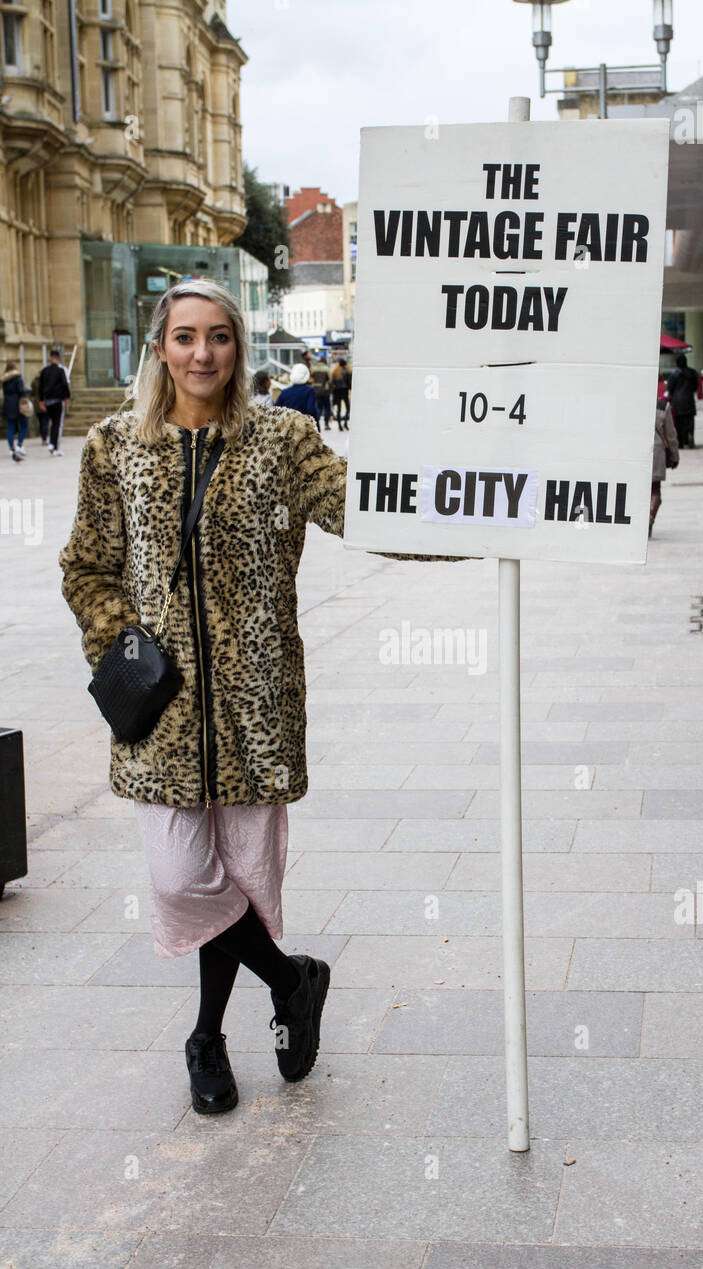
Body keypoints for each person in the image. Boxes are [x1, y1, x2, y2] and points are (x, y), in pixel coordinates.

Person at [58, 279, 459, 1117]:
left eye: (218, 337)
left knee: (244, 876)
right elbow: (85, 567)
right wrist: (121, 644)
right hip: (160, 713)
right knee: (181, 878)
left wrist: (487, 524)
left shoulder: (282, 440)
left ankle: (207, 1040)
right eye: (184, 337)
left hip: (255, 709)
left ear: (238, 348)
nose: (201, 353)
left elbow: (365, 510)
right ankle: (291, 978)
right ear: (159, 348)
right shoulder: (113, 447)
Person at [650, 397, 679, 537]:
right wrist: (675, 456)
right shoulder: (662, 406)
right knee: (655, 490)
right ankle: (650, 515)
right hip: (656, 452)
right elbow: (671, 435)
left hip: (634, 453)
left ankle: (640, 520)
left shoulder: (631, 403)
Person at [38, 348, 71, 455]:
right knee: (57, 424)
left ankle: (51, 443)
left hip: (47, 401)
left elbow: (40, 386)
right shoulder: (60, 371)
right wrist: (67, 397)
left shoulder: (44, 371)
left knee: (52, 423)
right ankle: (55, 446)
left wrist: (41, 400)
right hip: (57, 401)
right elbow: (64, 384)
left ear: (50, 358)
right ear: (58, 358)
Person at [666, 352, 699, 449]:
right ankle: (689, 436)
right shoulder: (692, 372)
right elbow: (695, 387)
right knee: (689, 422)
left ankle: (680, 441)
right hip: (689, 401)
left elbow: (670, 388)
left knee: (679, 424)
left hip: (677, 402)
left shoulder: (674, 374)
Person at [2, 362, 30, 461]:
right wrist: (27, 391)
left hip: (7, 404)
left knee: (11, 426)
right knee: (24, 424)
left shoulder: (4, 379)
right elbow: (21, 391)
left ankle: (11, 449)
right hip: (18, 404)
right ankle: (19, 444)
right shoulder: (17, 378)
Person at [310, 354, 331, 431]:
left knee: (318, 407)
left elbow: (311, 377)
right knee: (327, 408)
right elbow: (330, 379)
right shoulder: (327, 368)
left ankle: (317, 422)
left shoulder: (314, 368)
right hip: (325, 391)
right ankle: (326, 424)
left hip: (316, 390)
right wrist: (330, 388)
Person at [330, 356, 351, 431]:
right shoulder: (348, 371)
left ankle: (339, 425)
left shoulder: (335, 372)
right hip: (344, 391)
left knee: (338, 409)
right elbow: (349, 383)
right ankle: (345, 423)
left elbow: (332, 383)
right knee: (348, 408)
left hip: (337, 392)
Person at [31, 370, 50, 444]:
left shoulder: (34, 381)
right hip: (45, 402)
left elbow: (32, 392)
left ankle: (43, 436)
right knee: (45, 421)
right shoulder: (46, 381)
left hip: (37, 403)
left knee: (41, 421)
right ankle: (45, 437)